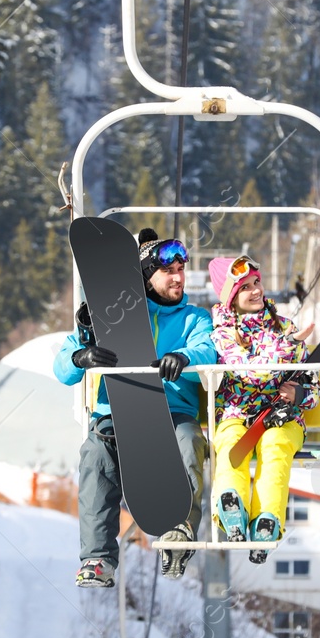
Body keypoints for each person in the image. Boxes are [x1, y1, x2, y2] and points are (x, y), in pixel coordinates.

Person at [54, 228, 215, 587]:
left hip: (172, 413)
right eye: (168, 271)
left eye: (181, 270)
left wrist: (184, 357)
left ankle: (179, 530)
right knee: (95, 455)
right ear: (146, 276)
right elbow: (62, 368)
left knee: (189, 441)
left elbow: (208, 349)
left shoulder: (194, 318)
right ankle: (97, 558)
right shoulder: (116, 315)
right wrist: (82, 354)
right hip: (118, 412)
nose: (178, 277)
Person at [206, 255, 319, 564]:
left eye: (257, 282)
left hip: (281, 418)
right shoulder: (222, 334)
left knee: (276, 447)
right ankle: (232, 507)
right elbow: (250, 372)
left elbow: (314, 387)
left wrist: (298, 394)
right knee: (230, 444)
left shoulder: (285, 326)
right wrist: (288, 346)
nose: (256, 290)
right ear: (231, 298)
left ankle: (267, 520)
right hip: (237, 413)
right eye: (245, 287)